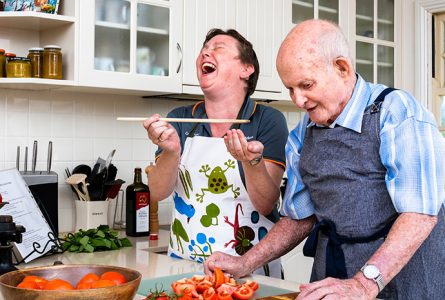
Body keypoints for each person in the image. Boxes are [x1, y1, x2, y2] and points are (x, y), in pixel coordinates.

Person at [204, 19, 445, 299]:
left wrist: (362, 284)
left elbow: (420, 214)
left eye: (306, 85)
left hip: (406, 279)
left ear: (342, 68)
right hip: (333, 275)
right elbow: (299, 217)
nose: (298, 100)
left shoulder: (396, 112)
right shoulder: (301, 135)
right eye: (290, 89)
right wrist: (246, 262)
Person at [143, 28, 289, 278]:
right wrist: (171, 152)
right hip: (186, 268)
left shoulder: (267, 119)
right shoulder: (179, 118)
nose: (205, 53)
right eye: (203, 49)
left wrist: (251, 162)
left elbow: (266, 203)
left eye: (218, 48)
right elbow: (157, 192)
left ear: (246, 69)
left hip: (250, 271)